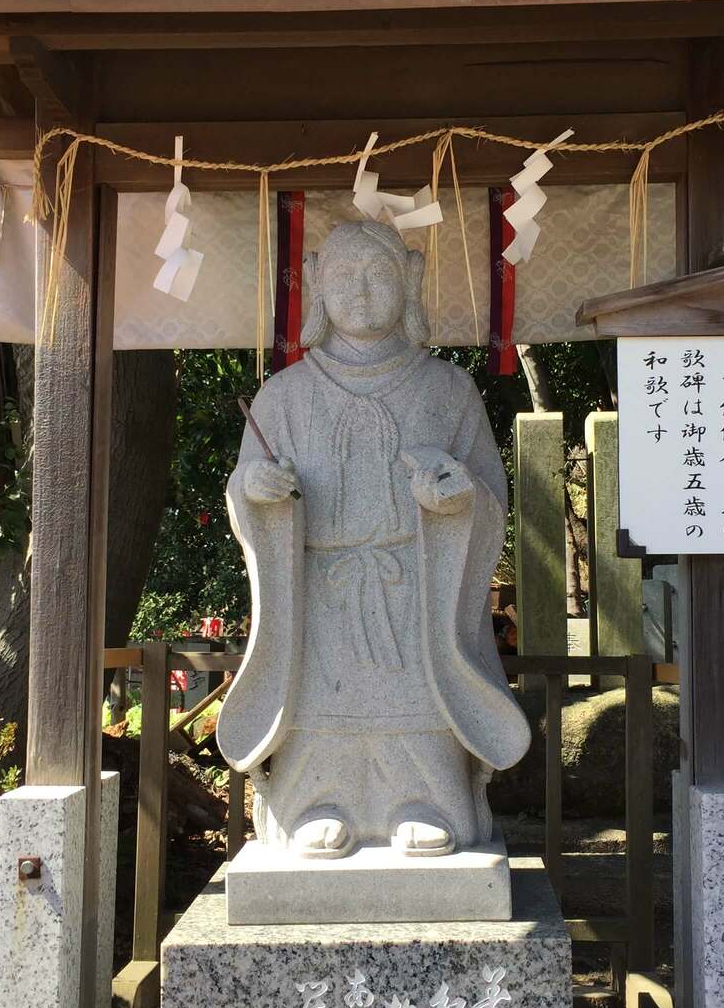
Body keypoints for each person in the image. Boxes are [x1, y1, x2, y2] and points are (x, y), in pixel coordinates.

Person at [218, 219, 529, 859]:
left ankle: (427, 800)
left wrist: (457, 498)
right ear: (315, 289)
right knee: (318, 707)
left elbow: (491, 497)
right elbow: (242, 492)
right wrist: (258, 492)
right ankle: (315, 803)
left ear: (410, 281)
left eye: (378, 275)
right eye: (343, 277)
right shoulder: (283, 397)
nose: (360, 293)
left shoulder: (447, 390)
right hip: (319, 591)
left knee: (419, 700)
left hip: (413, 585)